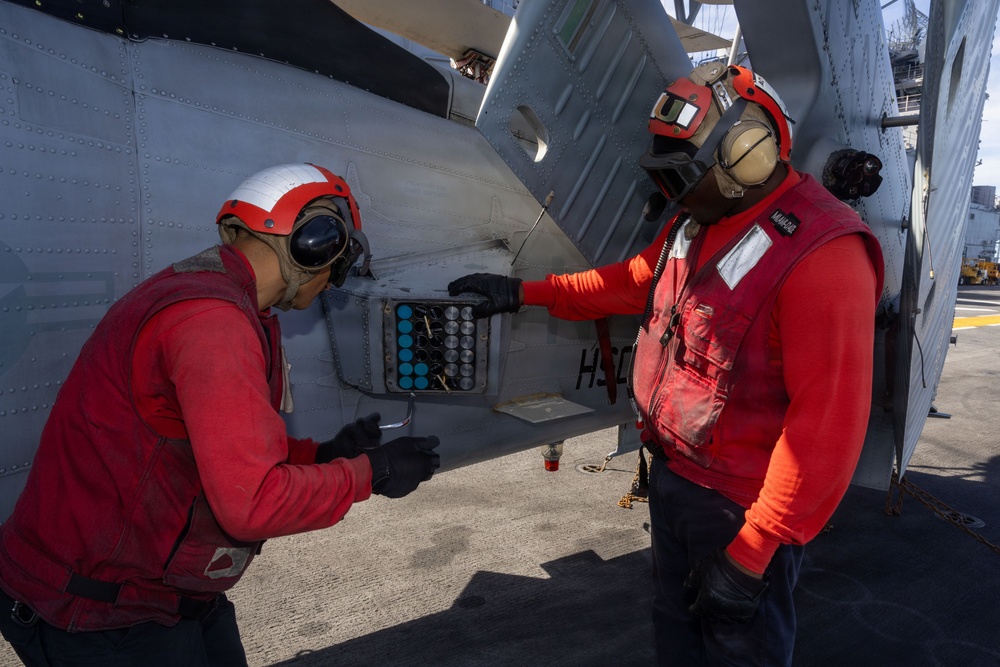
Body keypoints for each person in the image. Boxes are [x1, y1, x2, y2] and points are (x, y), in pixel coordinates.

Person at [449, 63, 884, 666]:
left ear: (746, 155)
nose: (670, 196)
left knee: (739, 651)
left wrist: (753, 551)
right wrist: (528, 292)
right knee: (677, 638)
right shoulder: (698, 221)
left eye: (682, 176)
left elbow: (826, 430)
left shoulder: (823, 255)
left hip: (740, 508)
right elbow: (635, 282)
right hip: (678, 481)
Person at [0, 163, 441, 666]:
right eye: (338, 265)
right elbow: (251, 504)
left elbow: (207, 449)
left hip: (160, 596)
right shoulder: (214, 323)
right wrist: (373, 473)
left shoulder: (225, 304)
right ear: (314, 244)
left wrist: (325, 454)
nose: (333, 282)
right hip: (98, 613)